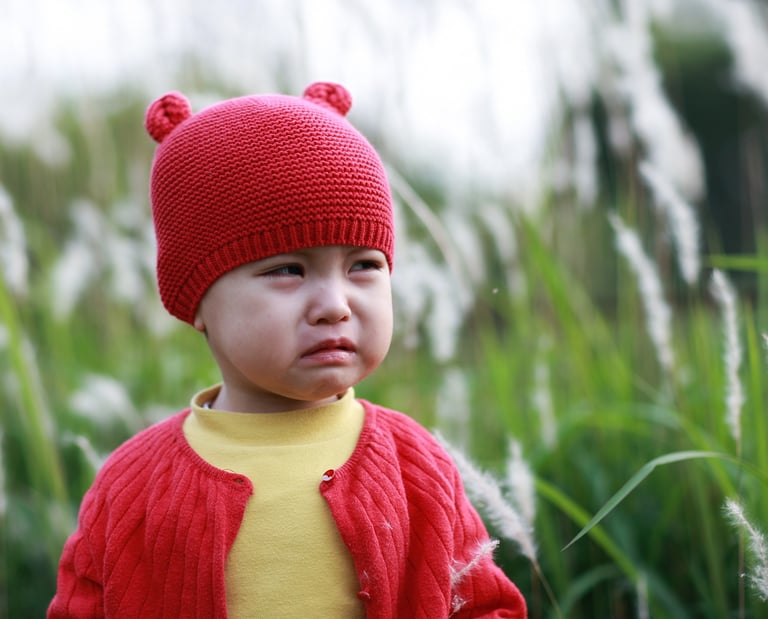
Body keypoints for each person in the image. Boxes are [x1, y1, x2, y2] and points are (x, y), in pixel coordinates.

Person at [48, 81, 527, 618]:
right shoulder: (132, 483)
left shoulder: (416, 464)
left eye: (363, 266)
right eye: (287, 270)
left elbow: (484, 604)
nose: (335, 304)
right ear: (198, 301)